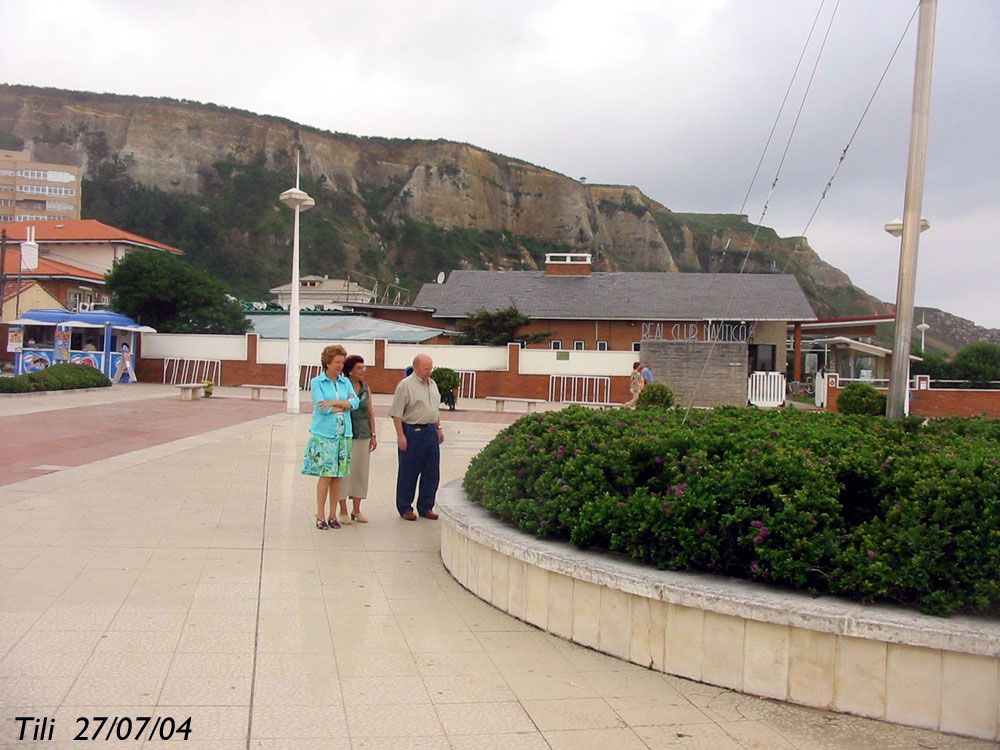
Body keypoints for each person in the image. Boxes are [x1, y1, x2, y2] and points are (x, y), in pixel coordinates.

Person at [302, 345, 360, 530]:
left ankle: (333, 514)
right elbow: (323, 407)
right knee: (326, 475)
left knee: (338, 476)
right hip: (325, 435)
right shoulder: (317, 382)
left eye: (342, 362)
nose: (340, 366)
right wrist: (342, 406)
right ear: (327, 362)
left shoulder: (345, 382)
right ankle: (320, 514)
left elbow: (355, 403)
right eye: (337, 362)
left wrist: (336, 403)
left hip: (344, 434)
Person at [390, 353, 443, 521]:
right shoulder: (405, 386)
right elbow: (397, 413)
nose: (429, 371)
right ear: (416, 368)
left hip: (431, 432)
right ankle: (405, 507)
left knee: (432, 473)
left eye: (431, 368)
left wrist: (439, 428)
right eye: (426, 368)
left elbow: (434, 408)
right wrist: (401, 435)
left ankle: (426, 506)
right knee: (409, 472)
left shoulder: (432, 384)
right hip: (413, 432)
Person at [337, 355, 377, 525]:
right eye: (359, 368)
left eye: (364, 367)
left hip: (363, 434)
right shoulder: (342, 386)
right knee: (345, 472)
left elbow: (370, 412)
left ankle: (357, 509)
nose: (363, 371)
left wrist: (373, 435)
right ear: (350, 370)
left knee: (360, 472)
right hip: (346, 433)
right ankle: (343, 509)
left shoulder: (366, 388)